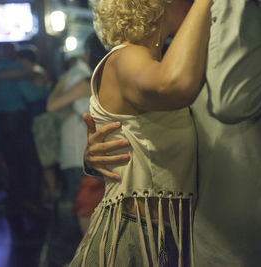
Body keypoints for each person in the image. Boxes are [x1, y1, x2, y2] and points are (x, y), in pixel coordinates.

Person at [82, 1, 261, 266]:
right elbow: (174, 89)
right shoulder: (136, 56)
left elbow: (228, 103)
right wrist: (94, 159)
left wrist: (96, 159)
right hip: (157, 235)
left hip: (253, 234)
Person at [70, 0, 211, 266]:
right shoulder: (127, 55)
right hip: (138, 235)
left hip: (166, 235)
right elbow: (174, 85)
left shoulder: (152, 60)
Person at [45, 32, 108, 267]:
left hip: (80, 152)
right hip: (95, 152)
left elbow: (51, 105)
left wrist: (61, 83)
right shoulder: (103, 79)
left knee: (79, 208)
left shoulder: (83, 81)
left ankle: (67, 257)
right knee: (88, 208)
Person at [0, 43, 41, 208]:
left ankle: (14, 198)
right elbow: (32, 95)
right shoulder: (17, 69)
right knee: (27, 158)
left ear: (0, 53)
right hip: (18, 119)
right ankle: (31, 197)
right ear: (13, 53)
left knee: (9, 160)